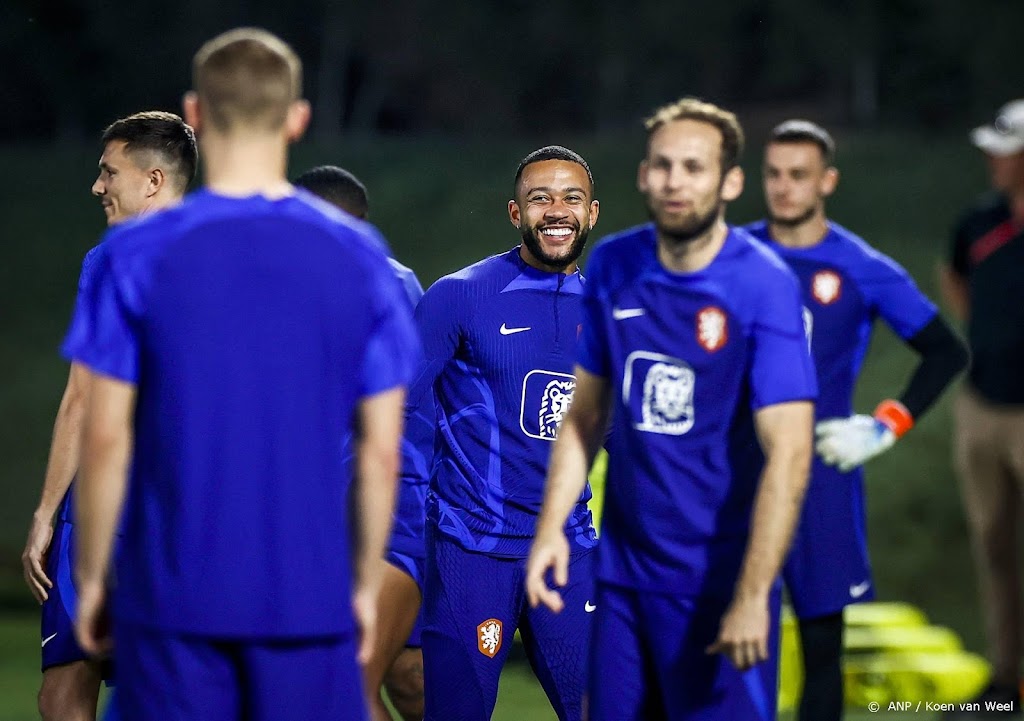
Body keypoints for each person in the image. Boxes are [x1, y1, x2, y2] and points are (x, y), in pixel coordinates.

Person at [64, 27, 419, 721]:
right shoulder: (359, 256)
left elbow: (105, 436)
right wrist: (365, 586)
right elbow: (381, 449)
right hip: (307, 595)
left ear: (194, 113)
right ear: (297, 118)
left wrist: (95, 578)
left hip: (174, 598)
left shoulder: (128, 257)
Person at [526, 97, 817, 721]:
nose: (675, 181)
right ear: (642, 175)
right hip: (624, 581)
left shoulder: (762, 285)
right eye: (662, 165)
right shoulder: (613, 264)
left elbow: (790, 451)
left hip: (720, 585)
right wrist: (550, 530)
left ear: (730, 182)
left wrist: (752, 593)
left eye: (693, 167)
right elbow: (584, 417)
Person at [743, 119, 968, 721]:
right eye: (774, 175)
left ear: (827, 181)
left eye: (799, 176)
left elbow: (946, 351)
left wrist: (885, 426)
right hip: (735, 474)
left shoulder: (861, 267)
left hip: (820, 476)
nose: (784, 188)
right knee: (732, 645)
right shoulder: (728, 254)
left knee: (821, 649)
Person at [20, 110, 197, 721]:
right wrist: (47, 512)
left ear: (153, 180)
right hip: (119, 507)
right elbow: (82, 398)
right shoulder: (107, 261)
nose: (98, 186)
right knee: (64, 690)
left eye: (108, 172)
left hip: (164, 508)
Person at [414, 145, 600, 721]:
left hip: (569, 547)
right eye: (539, 198)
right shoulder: (459, 296)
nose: (556, 210)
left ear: (592, 213)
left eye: (571, 198)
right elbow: (397, 412)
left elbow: (616, 432)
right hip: (471, 550)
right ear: (516, 214)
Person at [294, 164, 426, 721]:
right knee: (410, 679)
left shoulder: (367, 285)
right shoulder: (404, 283)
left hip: (379, 513)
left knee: (343, 688)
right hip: (393, 509)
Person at [939, 99, 1024, 716]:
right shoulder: (979, 222)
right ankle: (1006, 677)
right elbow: (954, 275)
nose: (992, 159)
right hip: (981, 403)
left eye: (1004, 149)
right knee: (992, 544)